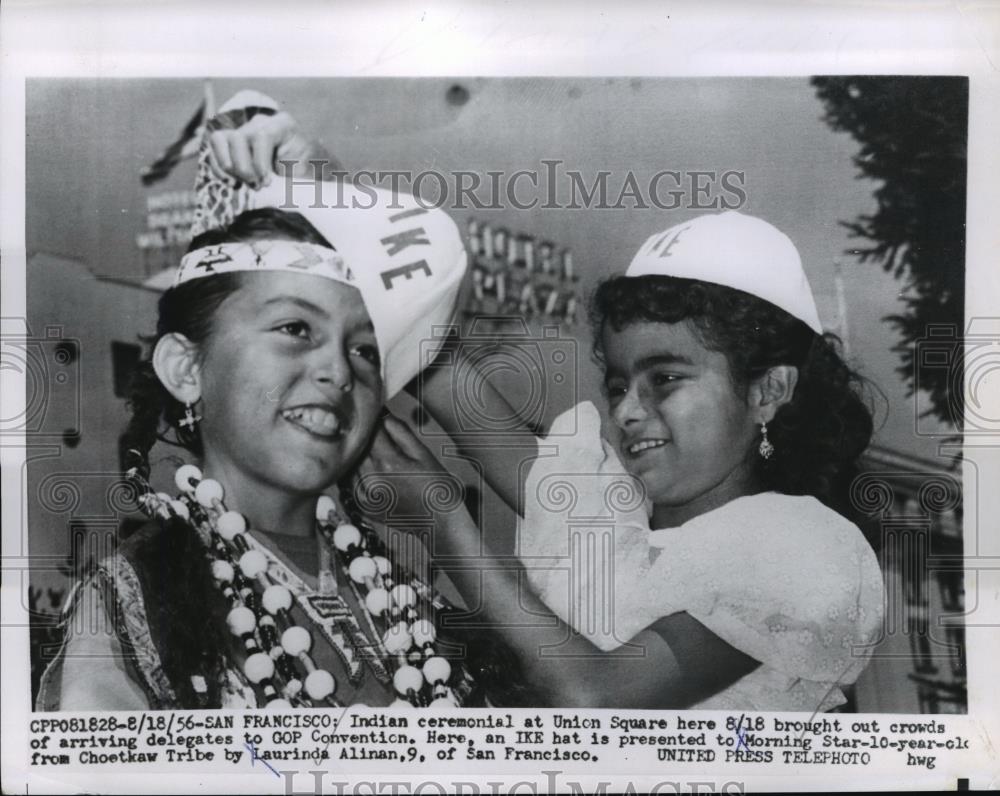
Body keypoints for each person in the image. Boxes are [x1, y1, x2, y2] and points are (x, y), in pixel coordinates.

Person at [138, 101, 885, 712]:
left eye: (665, 380)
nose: (628, 410)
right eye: (619, 383)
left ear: (769, 391)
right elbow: (441, 363)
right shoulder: (613, 510)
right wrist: (323, 189)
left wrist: (443, 525)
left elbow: (599, 702)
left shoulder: (806, 551)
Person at [36, 91, 473, 710]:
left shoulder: (404, 599)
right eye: (296, 329)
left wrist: (326, 186)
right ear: (186, 368)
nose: (338, 372)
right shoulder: (135, 601)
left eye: (366, 350)